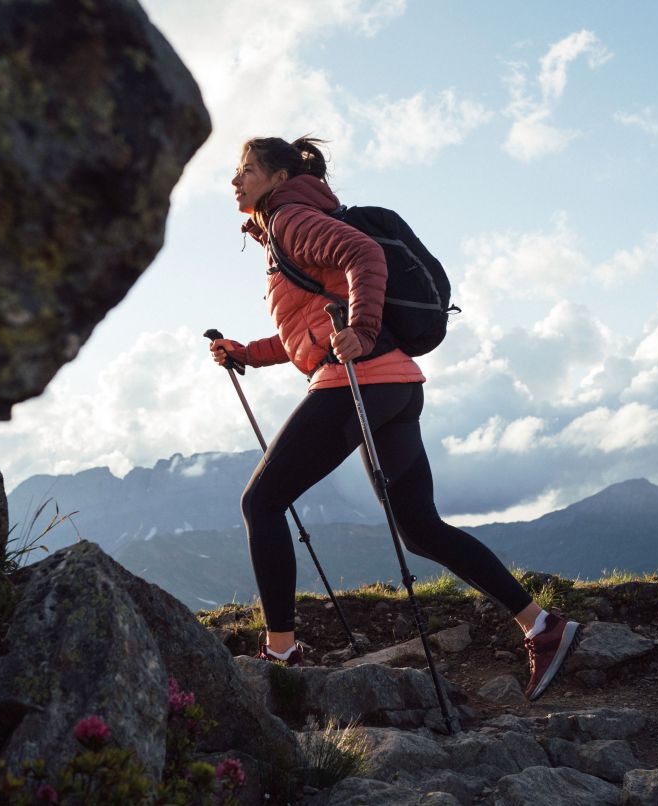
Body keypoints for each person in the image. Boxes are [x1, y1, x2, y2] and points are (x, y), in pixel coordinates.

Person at [209, 135, 581, 701]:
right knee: (419, 527)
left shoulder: (288, 218)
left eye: (247, 170)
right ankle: (542, 624)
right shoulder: (290, 225)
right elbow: (309, 331)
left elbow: (365, 256)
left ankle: (281, 653)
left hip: (359, 382)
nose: (236, 181)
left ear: (280, 177)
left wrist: (358, 328)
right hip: (395, 384)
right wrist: (248, 352)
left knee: (260, 502)